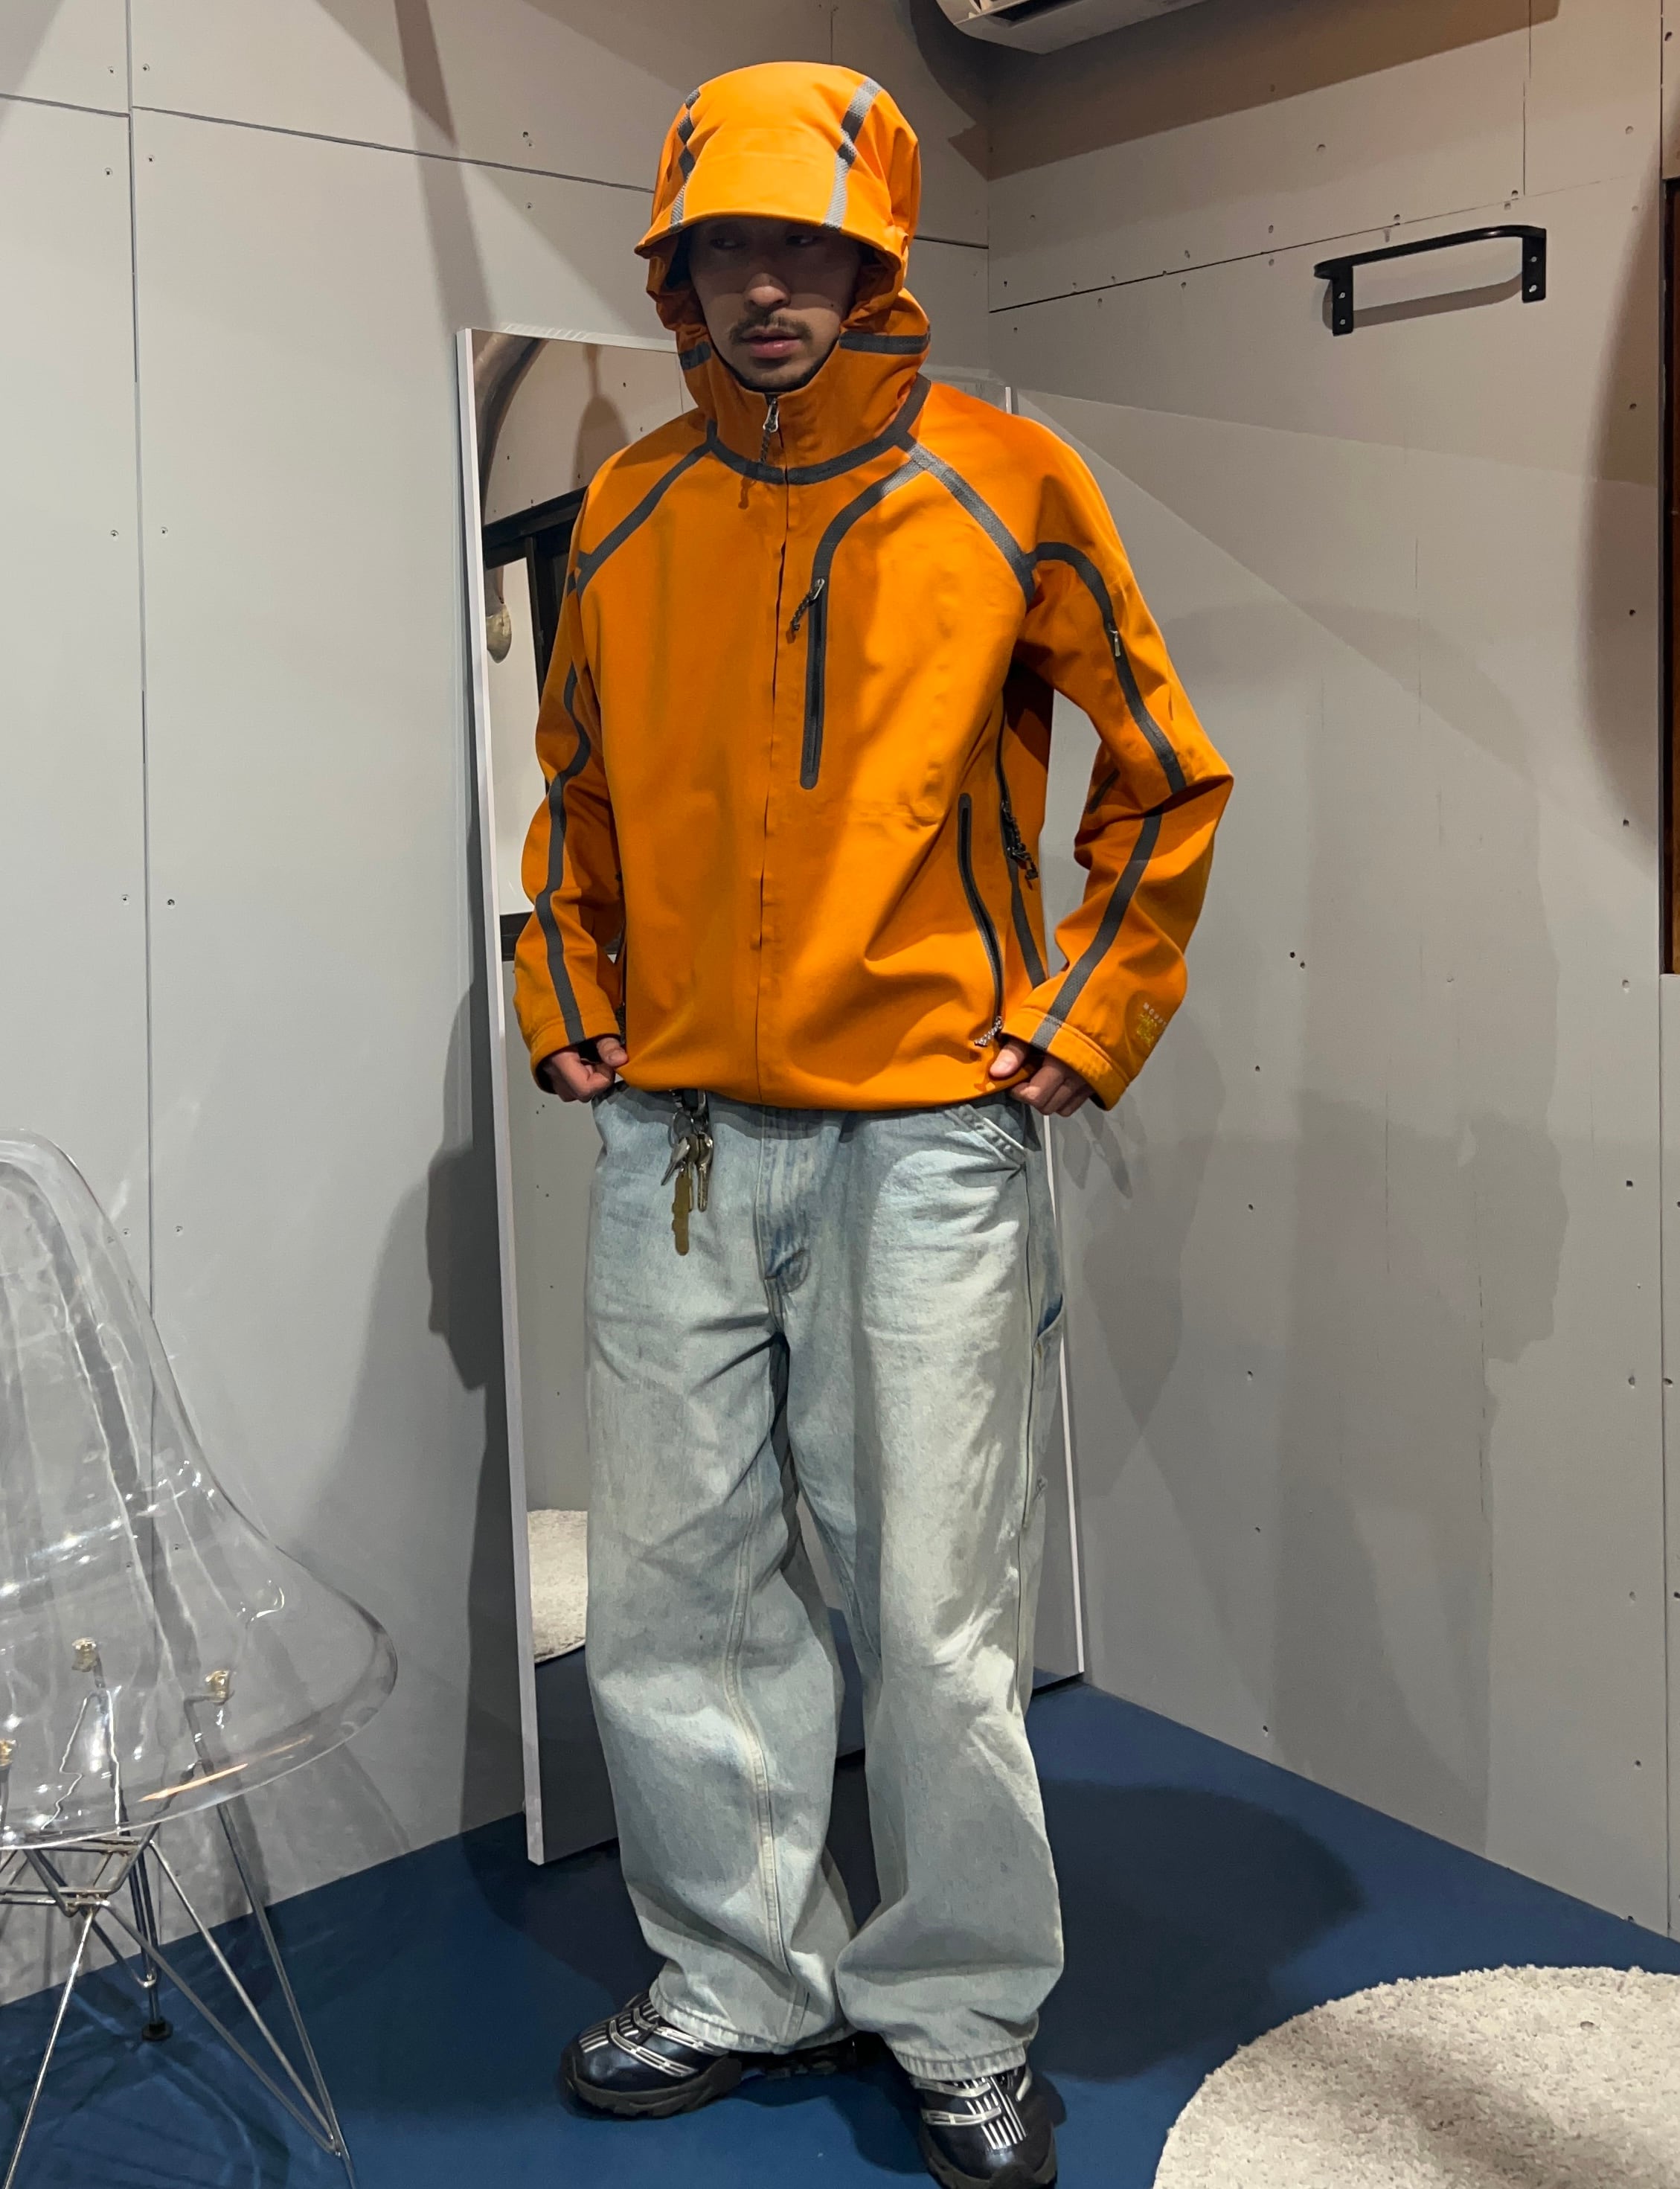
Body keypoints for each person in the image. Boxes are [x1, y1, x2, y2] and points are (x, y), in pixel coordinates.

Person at [512, 60, 1231, 2189]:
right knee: (671, 1591)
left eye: (808, 246)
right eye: (726, 247)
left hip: (923, 1137)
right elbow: (574, 800)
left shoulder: (1004, 481)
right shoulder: (629, 508)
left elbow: (1162, 774)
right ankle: (738, 1975)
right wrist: (574, 999)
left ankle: (959, 2008)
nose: (768, 288)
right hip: (676, 1140)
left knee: (932, 1609)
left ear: (878, 256)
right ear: (675, 272)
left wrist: (1085, 1015)